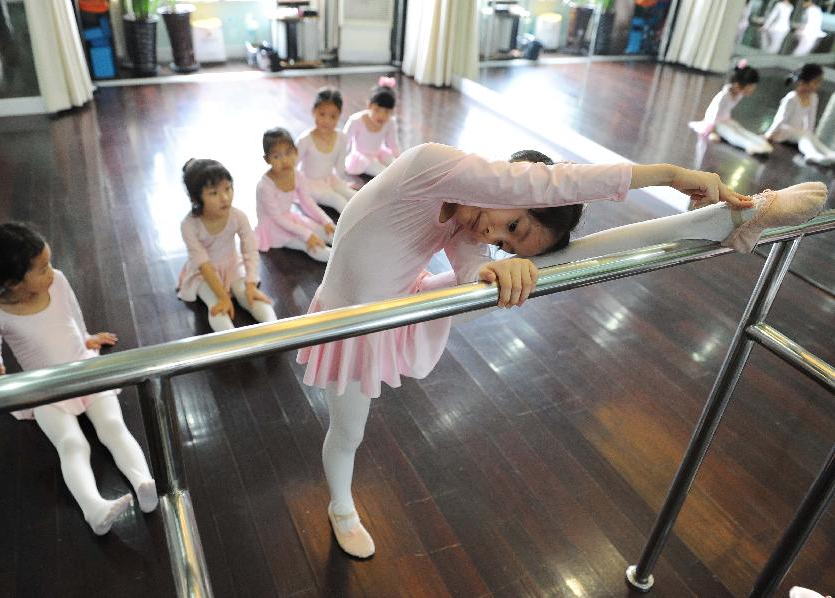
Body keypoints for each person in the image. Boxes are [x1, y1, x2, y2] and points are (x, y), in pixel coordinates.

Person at [295, 142, 826, 559]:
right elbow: (556, 181)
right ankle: (341, 504)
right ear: (510, 179)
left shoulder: (466, 218)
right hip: (348, 322)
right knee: (349, 432)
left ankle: (725, 222)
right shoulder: (433, 167)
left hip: (400, 310)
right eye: (513, 223)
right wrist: (670, 173)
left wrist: (496, 266)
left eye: (507, 237)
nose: (491, 229)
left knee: (542, 269)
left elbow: (466, 267)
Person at [0, 223, 157, 535]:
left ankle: (143, 482)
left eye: (50, 264)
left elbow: (73, 312)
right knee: (72, 444)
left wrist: (86, 338)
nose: (52, 272)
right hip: (45, 389)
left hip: (83, 369)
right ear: (14, 282)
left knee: (112, 427)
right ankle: (94, 509)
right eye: (42, 269)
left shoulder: (58, 283)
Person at [178, 158, 277, 331]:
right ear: (196, 198)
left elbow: (250, 251)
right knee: (216, 304)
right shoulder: (189, 225)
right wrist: (223, 296)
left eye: (228, 189)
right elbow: (203, 263)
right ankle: (235, 345)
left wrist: (251, 284)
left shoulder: (238, 216)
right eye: (214, 193)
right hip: (203, 274)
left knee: (249, 295)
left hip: (232, 264)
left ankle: (275, 329)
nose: (225, 197)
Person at [254, 127, 336, 262]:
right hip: (274, 227)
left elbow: (307, 202)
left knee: (325, 230)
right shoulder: (265, 186)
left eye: (288, 153)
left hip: (289, 218)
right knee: (310, 244)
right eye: (276, 156)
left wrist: (325, 220)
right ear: (267, 159)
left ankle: (348, 249)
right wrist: (307, 235)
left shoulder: (297, 175)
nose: (284, 160)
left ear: (296, 152)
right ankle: (340, 261)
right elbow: (277, 218)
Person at [689, 60, 773, 155]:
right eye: (750, 87)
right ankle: (748, 144)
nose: (752, 90)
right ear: (737, 85)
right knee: (731, 133)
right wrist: (712, 132)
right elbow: (712, 115)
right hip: (715, 123)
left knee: (739, 128)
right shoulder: (723, 96)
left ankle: (759, 141)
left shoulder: (739, 94)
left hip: (725, 119)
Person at [296, 87, 356, 213]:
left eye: (333, 116)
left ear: (339, 116)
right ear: (314, 111)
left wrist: (341, 184)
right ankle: (350, 228)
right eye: (322, 114)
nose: (326, 120)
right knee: (338, 200)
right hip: (310, 183)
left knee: (354, 196)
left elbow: (340, 167)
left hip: (330, 178)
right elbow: (293, 167)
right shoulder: (305, 139)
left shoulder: (341, 137)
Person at [766, 63, 835, 165]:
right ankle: (812, 154)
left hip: (798, 132)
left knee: (807, 135)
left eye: (819, 82)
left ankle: (829, 153)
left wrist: (810, 136)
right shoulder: (792, 98)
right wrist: (769, 135)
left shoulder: (813, 97)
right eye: (815, 82)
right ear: (802, 82)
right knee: (803, 135)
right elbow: (781, 119)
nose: (818, 85)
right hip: (783, 132)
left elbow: (811, 121)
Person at [343, 76, 401, 177]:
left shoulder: (390, 122)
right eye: (377, 110)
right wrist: (338, 163)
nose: (381, 116)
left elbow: (393, 144)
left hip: (379, 153)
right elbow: (344, 142)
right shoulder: (356, 120)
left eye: (387, 112)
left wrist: (400, 160)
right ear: (369, 105)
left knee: (398, 167)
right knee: (384, 173)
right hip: (361, 156)